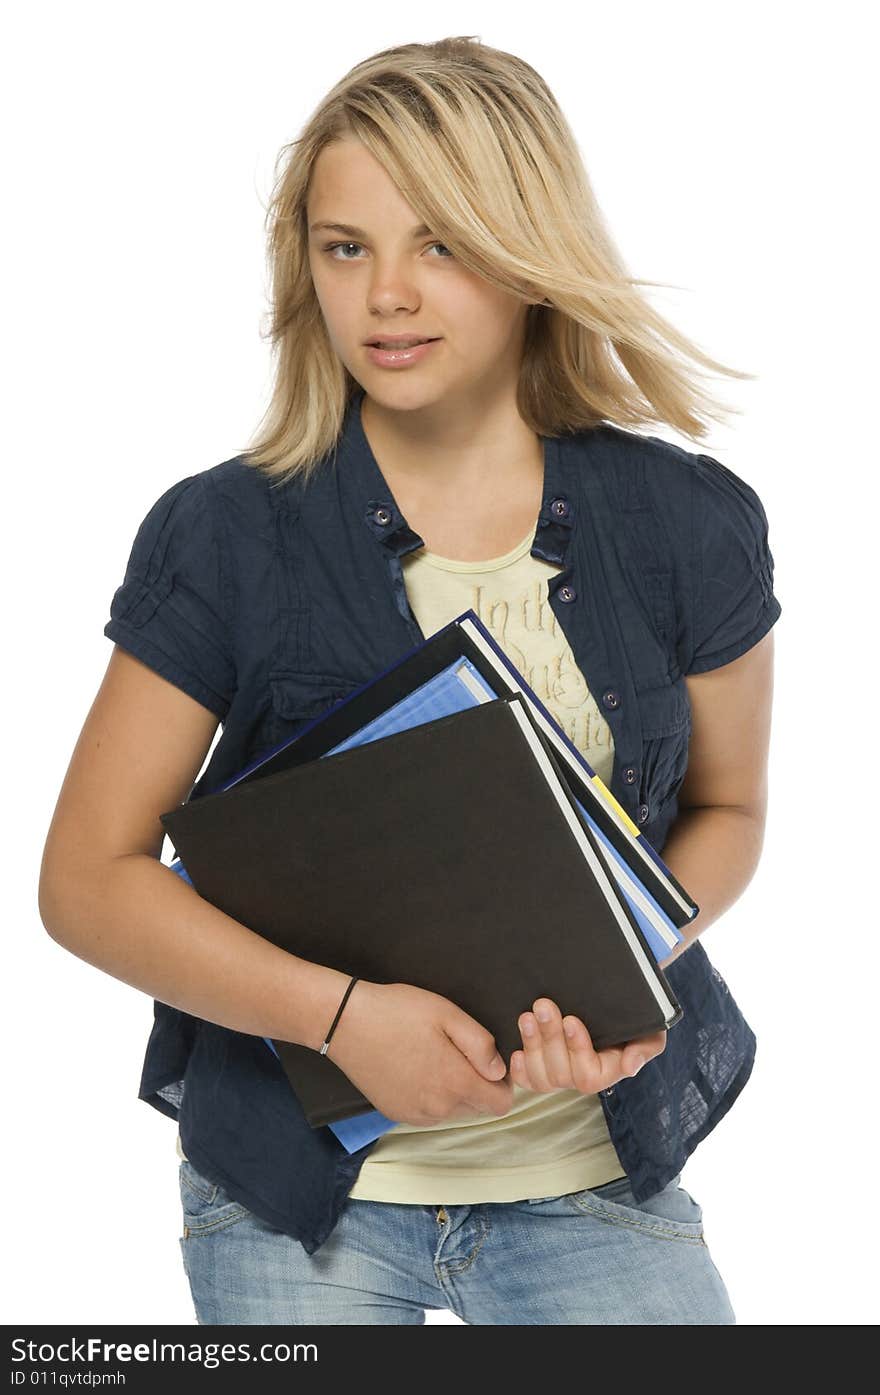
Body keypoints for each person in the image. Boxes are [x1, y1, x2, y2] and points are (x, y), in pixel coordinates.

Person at [38, 35, 780, 1325]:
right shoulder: (225, 534)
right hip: (301, 1187)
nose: (386, 293)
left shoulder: (690, 525)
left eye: (442, 242)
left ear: (530, 249)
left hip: (590, 1173)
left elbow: (730, 816)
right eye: (345, 246)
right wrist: (340, 1021)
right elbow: (84, 883)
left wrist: (626, 964)